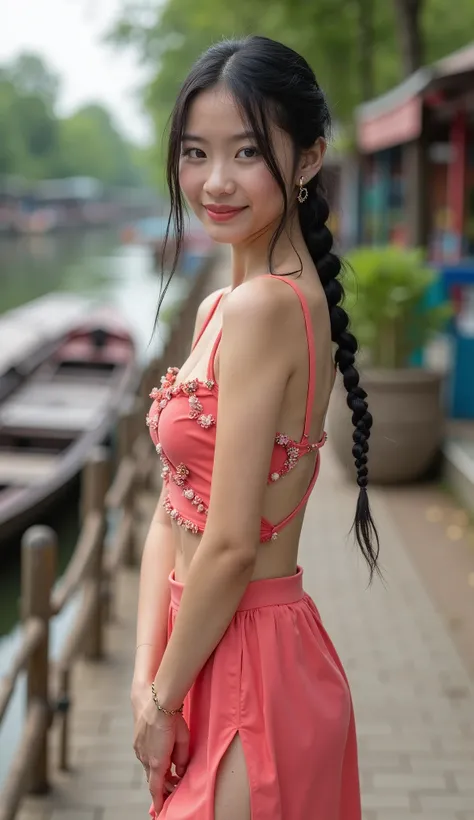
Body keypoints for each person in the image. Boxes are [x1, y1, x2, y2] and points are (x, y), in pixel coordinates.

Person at [131, 35, 380, 820]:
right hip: (203, 648)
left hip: (245, 667)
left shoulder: (265, 307)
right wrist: (148, 681)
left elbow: (234, 542)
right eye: (196, 153)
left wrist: (162, 698)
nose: (215, 181)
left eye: (246, 151)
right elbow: (172, 511)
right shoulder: (219, 308)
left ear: (308, 159)